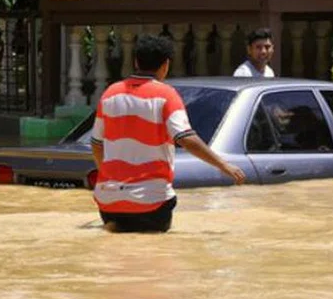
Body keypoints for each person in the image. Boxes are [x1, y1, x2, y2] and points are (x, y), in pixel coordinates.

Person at [91, 35, 245, 233]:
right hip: (151, 202)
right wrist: (224, 165)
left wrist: (111, 180)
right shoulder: (166, 94)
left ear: (136, 62)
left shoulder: (110, 93)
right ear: (165, 65)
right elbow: (185, 138)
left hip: (109, 203)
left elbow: (96, 144)